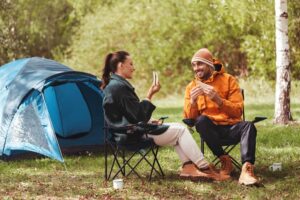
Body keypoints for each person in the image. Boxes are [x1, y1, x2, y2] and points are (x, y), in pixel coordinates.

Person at [101, 50, 229, 181]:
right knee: (181, 131)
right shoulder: (118, 87)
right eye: (131, 64)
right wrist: (149, 95)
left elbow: (130, 114)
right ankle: (205, 168)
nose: (133, 68)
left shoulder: (115, 85)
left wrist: (149, 121)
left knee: (178, 129)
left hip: (128, 131)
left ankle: (188, 168)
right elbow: (138, 116)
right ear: (121, 65)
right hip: (132, 134)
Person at [183, 48, 258, 186]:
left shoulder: (229, 80)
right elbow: (190, 122)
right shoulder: (191, 87)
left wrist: (219, 100)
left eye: (200, 64)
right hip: (211, 133)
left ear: (210, 65)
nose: (196, 68)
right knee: (201, 120)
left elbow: (238, 111)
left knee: (249, 126)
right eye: (194, 65)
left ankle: (247, 170)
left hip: (231, 128)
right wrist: (192, 103)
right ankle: (225, 160)